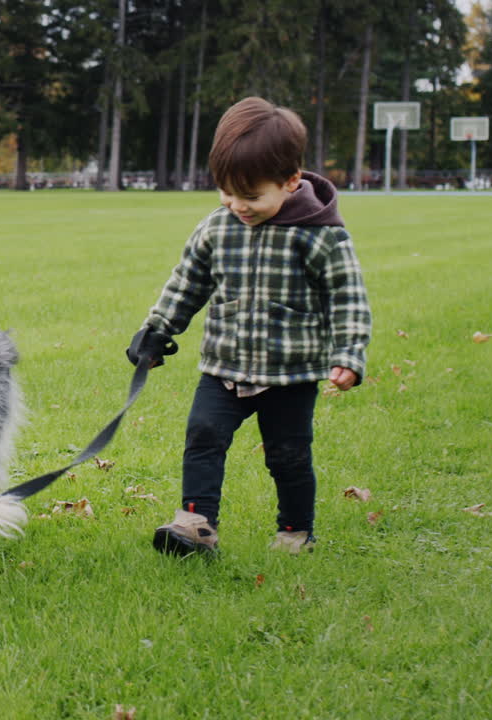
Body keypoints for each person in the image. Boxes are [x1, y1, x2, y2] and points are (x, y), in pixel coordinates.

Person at [127, 96, 372, 556]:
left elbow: (348, 297)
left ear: (291, 181)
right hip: (224, 367)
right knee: (203, 435)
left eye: (252, 195)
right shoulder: (216, 229)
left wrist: (349, 355)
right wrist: (158, 330)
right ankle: (196, 525)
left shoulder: (321, 236)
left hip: (290, 374)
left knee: (289, 456)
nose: (236, 204)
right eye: (226, 191)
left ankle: (295, 532)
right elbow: (186, 284)